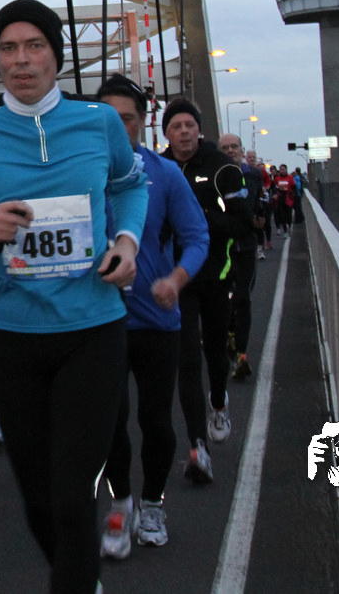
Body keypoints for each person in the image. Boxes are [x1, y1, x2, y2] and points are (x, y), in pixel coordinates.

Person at [0, 0, 148, 594]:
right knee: (40, 498)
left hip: (92, 328)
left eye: (34, 46)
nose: (21, 60)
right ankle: (80, 574)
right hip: (9, 333)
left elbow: (130, 185)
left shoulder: (98, 122)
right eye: (8, 49)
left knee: (71, 493)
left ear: (55, 57)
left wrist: (127, 241)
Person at [95, 76, 208, 558]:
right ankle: (121, 503)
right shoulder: (80, 171)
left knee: (156, 421)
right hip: (99, 321)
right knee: (109, 420)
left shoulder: (164, 174)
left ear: (143, 122)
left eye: (126, 118)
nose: (117, 127)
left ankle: (154, 503)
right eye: (108, 119)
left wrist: (175, 281)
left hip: (157, 321)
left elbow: (197, 237)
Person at [160, 99, 253, 478]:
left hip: (216, 273)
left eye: (189, 125)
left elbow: (243, 223)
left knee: (215, 351)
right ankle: (198, 447)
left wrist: (197, 218)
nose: (183, 132)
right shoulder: (159, 169)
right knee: (186, 359)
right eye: (175, 126)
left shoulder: (223, 168)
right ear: (166, 134)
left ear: (199, 130)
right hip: (176, 277)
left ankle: (218, 403)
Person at [218, 133, 261, 380]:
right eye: (225, 147)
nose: (230, 150)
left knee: (243, 299)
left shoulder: (253, 175)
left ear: (242, 150)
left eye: (234, 146)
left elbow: (258, 202)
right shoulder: (214, 176)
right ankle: (229, 341)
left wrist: (260, 216)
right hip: (221, 248)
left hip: (246, 247)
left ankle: (241, 355)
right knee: (223, 303)